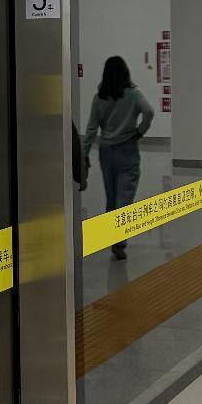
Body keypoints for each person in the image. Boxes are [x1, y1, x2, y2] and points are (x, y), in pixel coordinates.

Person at [82, 55, 154, 260]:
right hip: (128, 149)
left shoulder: (99, 97)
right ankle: (119, 241)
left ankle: (114, 237)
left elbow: (91, 128)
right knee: (125, 196)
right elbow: (149, 112)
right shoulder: (133, 94)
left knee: (111, 198)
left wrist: (84, 153)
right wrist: (140, 132)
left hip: (106, 152)